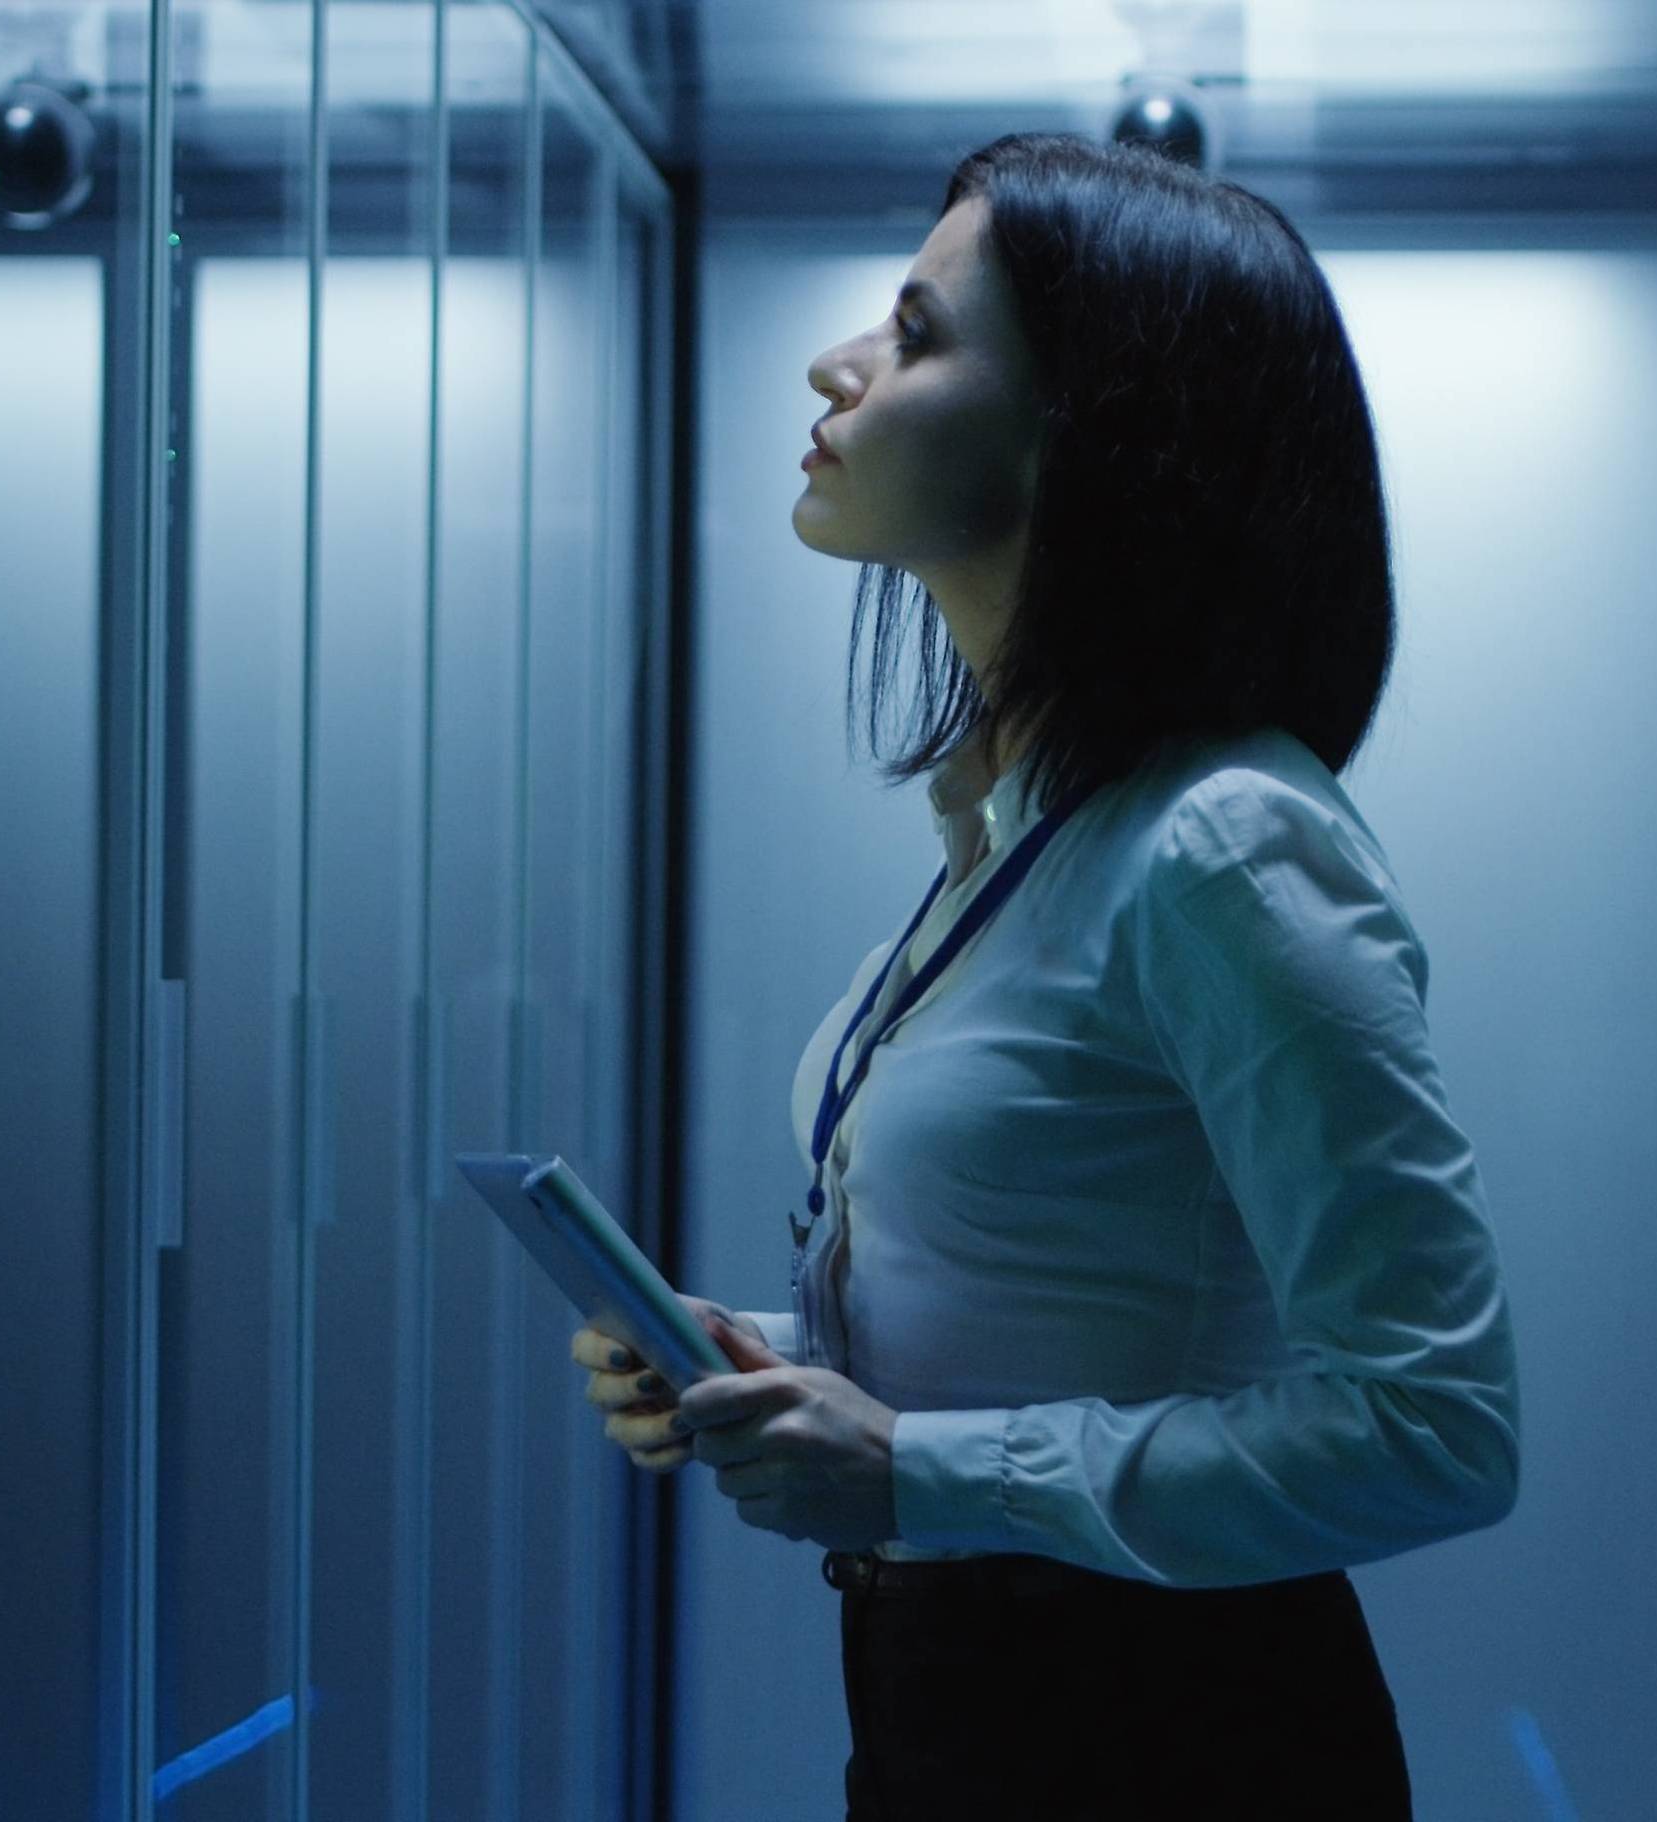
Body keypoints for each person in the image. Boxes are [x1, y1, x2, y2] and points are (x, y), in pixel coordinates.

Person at [567, 132, 1521, 1820]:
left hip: (1174, 1737)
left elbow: (1435, 1422)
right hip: (961, 1710)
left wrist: (913, 1464)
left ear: (1095, 435)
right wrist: (768, 1365)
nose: (838, 365)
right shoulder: (1022, 831)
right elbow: (1068, 1307)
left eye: (920, 336)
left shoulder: (1223, 840)